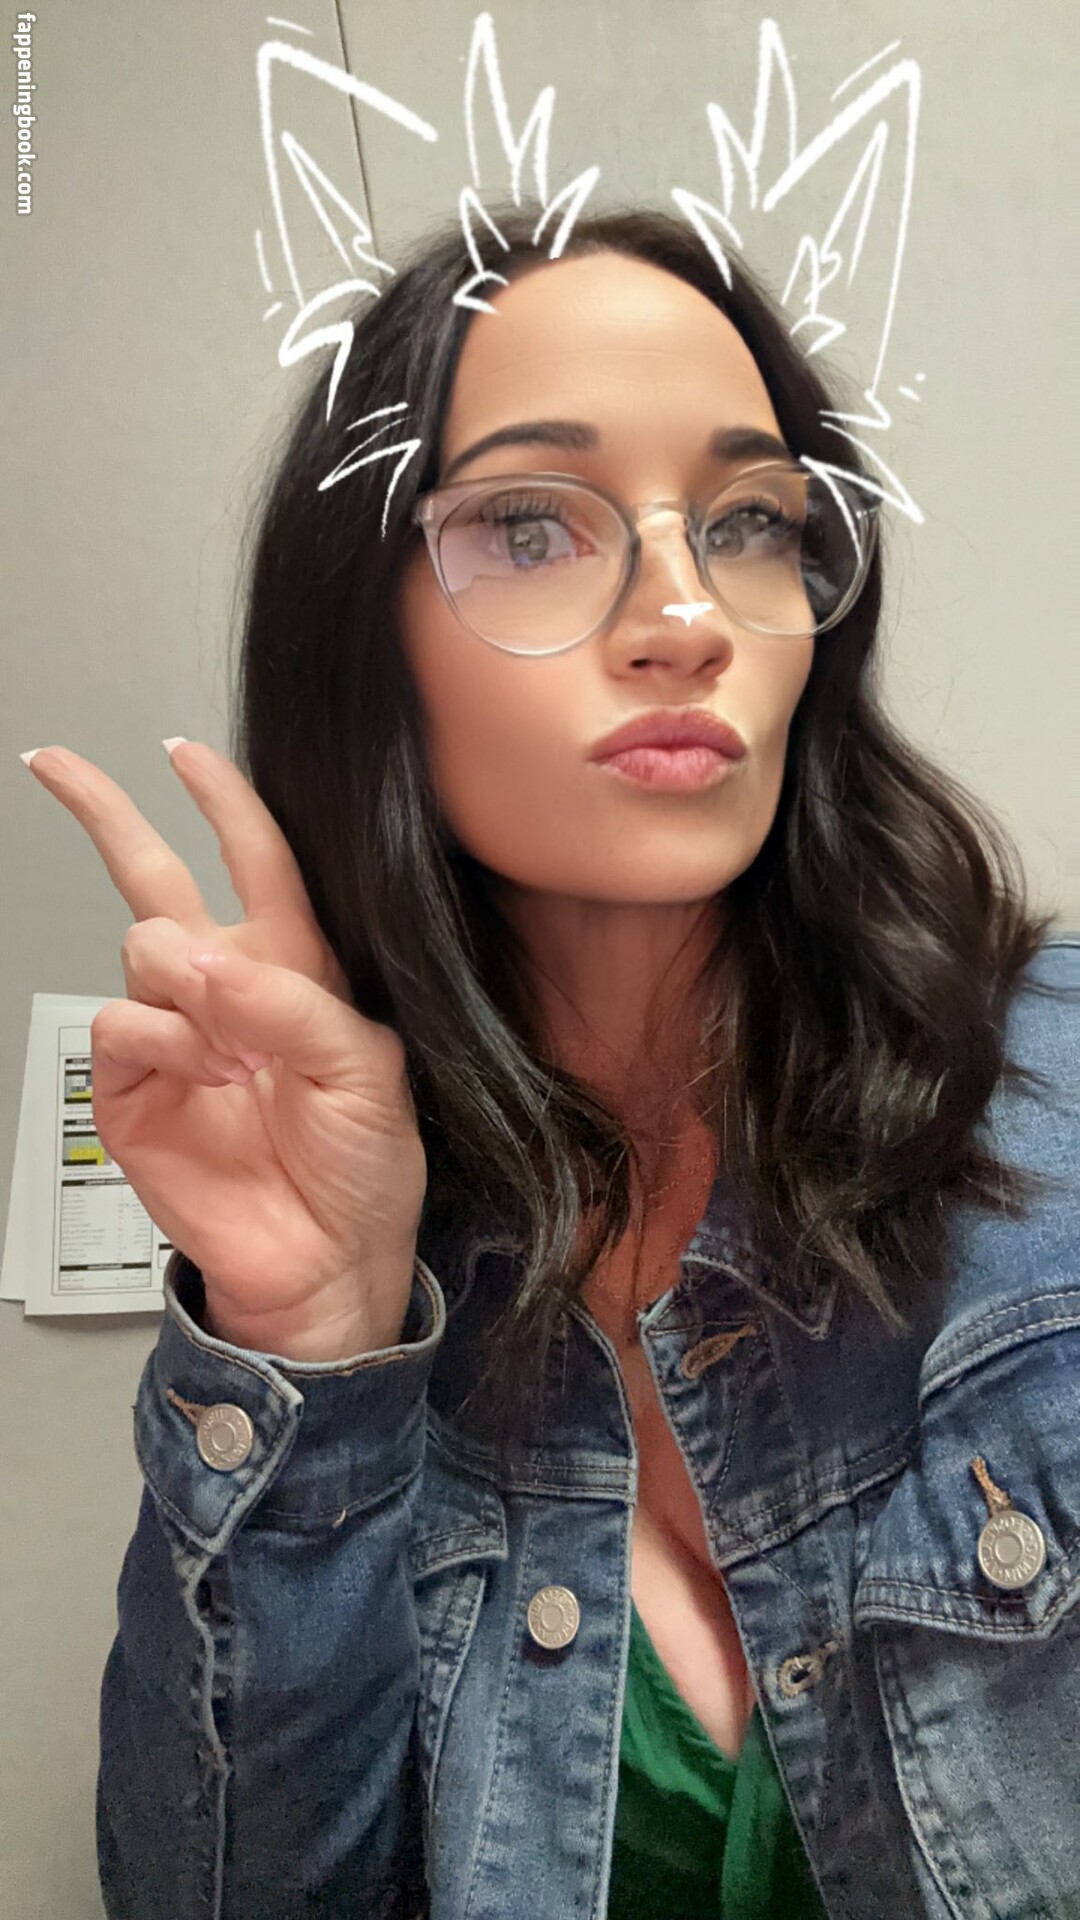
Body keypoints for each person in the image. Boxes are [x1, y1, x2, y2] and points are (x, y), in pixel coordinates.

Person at [24, 205, 1078, 1919]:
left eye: (750, 520)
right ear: (366, 640)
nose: (687, 617)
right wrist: (310, 1332)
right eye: (531, 523)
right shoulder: (383, 1259)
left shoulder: (1056, 1099)